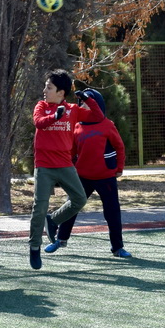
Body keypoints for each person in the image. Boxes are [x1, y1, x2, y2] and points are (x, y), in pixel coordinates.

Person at [28, 69, 104, 270]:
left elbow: (97, 115)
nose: (45, 90)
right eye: (46, 86)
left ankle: (53, 221)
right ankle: (34, 247)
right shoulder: (41, 106)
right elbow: (38, 123)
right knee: (39, 207)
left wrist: (87, 99)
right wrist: (54, 116)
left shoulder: (72, 109)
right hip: (44, 165)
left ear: (61, 92)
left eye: (49, 87)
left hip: (65, 164)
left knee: (79, 199)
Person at [43, 88, 131, 257]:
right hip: (82, 177)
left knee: (112, 213)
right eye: (82, 103)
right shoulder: (77, 126)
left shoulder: (107, 124)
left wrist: (119, 168)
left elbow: (120, 147)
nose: (84, 106)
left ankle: (118, 248)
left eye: (88, 102)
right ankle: (60, 240)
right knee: (71, 208)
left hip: (105, 177)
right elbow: (71, 151)